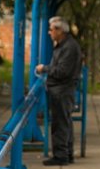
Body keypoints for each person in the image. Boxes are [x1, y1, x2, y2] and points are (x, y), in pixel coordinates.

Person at [35, 16, 83, 166]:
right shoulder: (65, 45)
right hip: (61, 89)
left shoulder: (68, 47)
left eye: (51, 30)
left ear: (59, 30)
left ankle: (61, 155)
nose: (49, 33)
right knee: (64, 122)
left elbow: (62, 71)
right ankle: (66, 154)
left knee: (60, 124)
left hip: (62, 90)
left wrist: (44, 69)